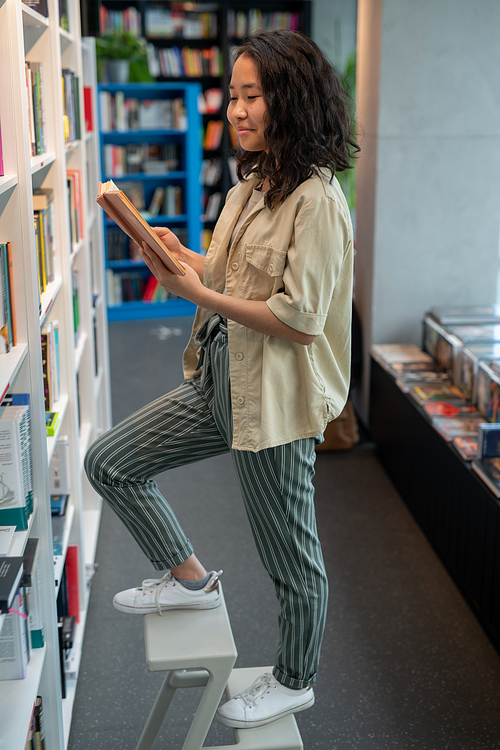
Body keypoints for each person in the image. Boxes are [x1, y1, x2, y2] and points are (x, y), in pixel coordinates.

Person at [85, 29, 358, 730]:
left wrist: (197, 294)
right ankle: (192, 583)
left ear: (289, 100)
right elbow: (233, 277)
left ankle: (297, 677)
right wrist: (185, 255)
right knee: (109, 462)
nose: (237, 110)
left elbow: (298, 321)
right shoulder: (254, 182)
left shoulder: (319, 201)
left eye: (252, 96)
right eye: (233, 96)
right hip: (218, 376)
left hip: (273, 398)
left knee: (291, 558)